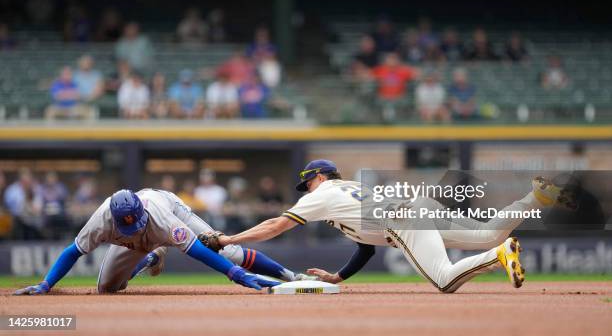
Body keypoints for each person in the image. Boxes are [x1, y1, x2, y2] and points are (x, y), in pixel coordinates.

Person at [207, 160, 573, 292]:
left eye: (308, 183)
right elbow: (366, 245)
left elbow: (274, 225)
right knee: (486, 233)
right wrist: (339, 277)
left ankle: (499, 255)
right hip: (416, 208)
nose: (306, 190)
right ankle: (535, 199)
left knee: (445, 281)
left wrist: (229, 239)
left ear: (319, 177)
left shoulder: (323, 194)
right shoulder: (352, 189)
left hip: (403, 220)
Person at [13, 188, 285, 295]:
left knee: (228, 252)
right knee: (106, 289)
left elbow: (199, 250)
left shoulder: (160, 218)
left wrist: (235, 274)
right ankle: (151, 257)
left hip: (170, 209)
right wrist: (46, 284)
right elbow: (73, 251)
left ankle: (289, 275)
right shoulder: (101, 220)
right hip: (149, 237)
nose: (132, 227)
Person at [3, 169, 43, 240]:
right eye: (24, 181)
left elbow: (38, 207)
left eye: (28, 180)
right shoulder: (12, 190)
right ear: (20, 180)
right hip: (17, 219)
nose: (27, 183)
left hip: (33, 220)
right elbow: (12, 208)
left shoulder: (36, 188)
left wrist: (31, 205)